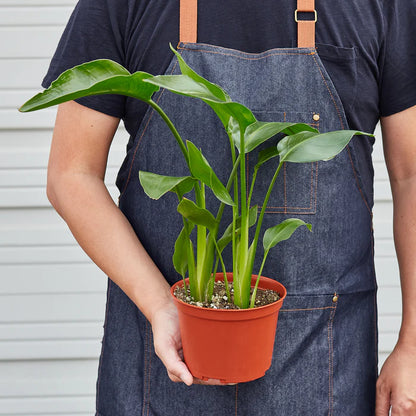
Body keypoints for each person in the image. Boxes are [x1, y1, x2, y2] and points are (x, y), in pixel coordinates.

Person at [41, 0, 416, 414]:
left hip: (321, 360)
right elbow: (70, 176)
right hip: (166, 355)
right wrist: (161, 306)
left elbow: (411, 175)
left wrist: (413, 347)